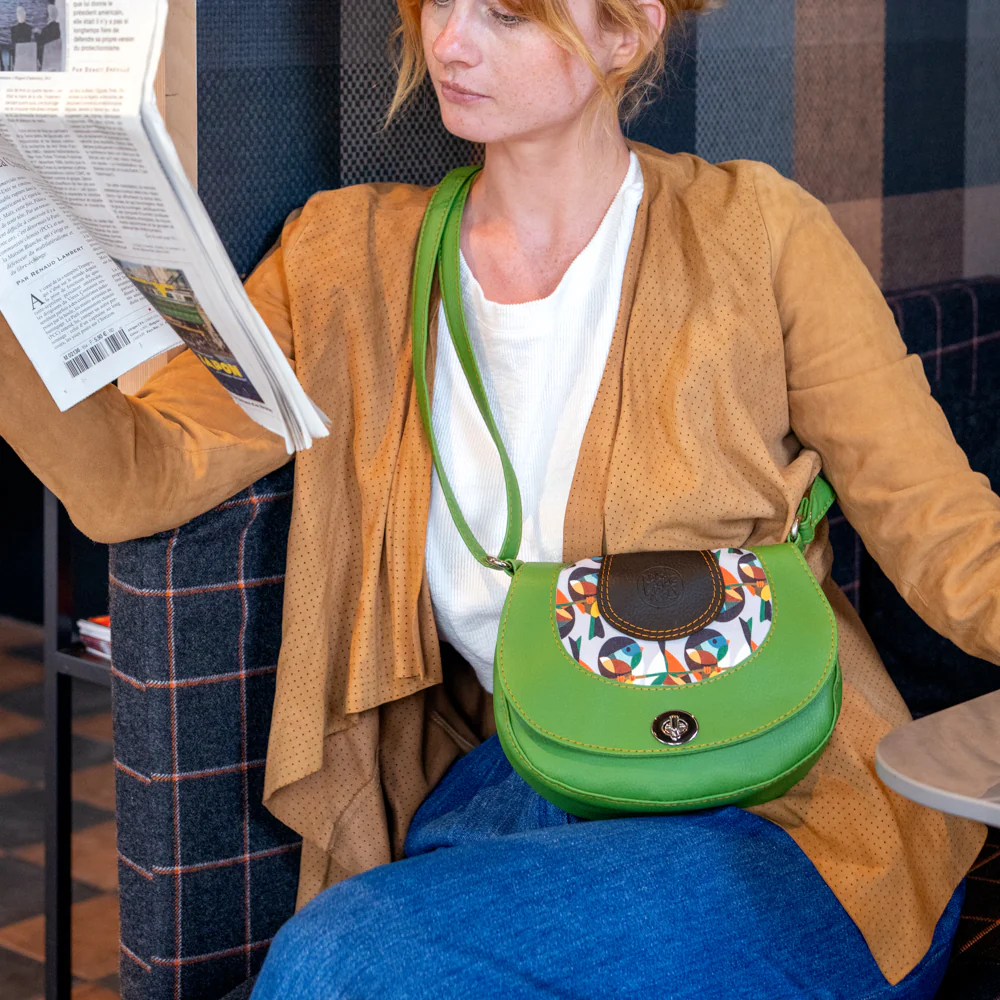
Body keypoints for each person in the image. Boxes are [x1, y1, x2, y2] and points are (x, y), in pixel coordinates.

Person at [1, 0, 998, 995]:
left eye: (507, 16)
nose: (450, 42)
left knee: (342, 960)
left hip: (788, 811)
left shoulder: (759, 233)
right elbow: (135, 479)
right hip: (519, 796)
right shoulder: (343, 261)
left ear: (626, 33)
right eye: (440, 3)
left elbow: (944, 533)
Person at [35, 2, 58, 67]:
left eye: (46, 13)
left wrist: (36, 34)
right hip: (56, 58)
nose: (44, 15)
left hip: (46, 61)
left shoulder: (45, 30)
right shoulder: (58, 27)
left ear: (49, 15)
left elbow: (39, 43)